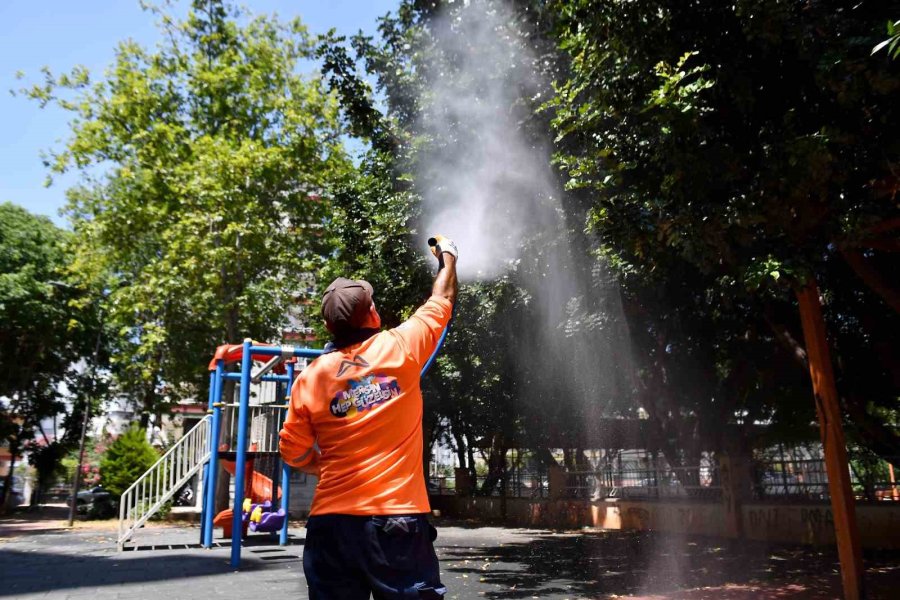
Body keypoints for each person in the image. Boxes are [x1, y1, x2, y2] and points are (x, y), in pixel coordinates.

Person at [279, 235, 459, 600]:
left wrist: (325, 465)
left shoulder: (310, 378)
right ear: (373, 315)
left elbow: (292, 452)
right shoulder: (401, 346)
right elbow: (442, 298)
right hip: (396, 523)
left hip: (330, 527)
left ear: (329, 327)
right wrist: (449, 255)